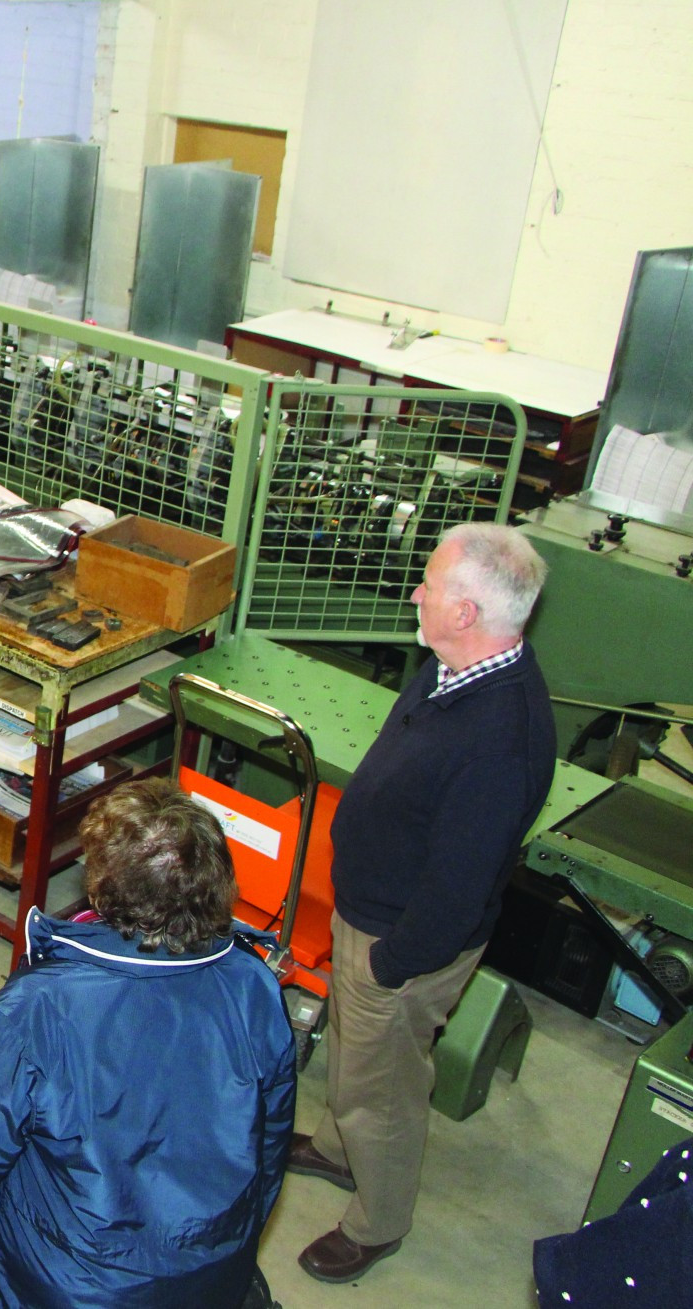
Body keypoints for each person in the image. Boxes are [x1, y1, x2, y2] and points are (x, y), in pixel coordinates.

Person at [0, 778, 295, 1309]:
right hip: (208, 1277)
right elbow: (270, 1143)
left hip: (64, 1286)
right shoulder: (252, 983)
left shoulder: (38, 1008)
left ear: (104, 889)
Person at [289, 523, 555, 1284]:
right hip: (369, 911)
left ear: (466, 612)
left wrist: (388, 963)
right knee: (359, 1066)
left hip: (400, 942)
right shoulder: (452, 671)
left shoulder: (503, 739)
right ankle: (341, 1151)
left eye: (429, 583)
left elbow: (457, 889)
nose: (416, 592)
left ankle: (379, 1218)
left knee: (383, 1090)